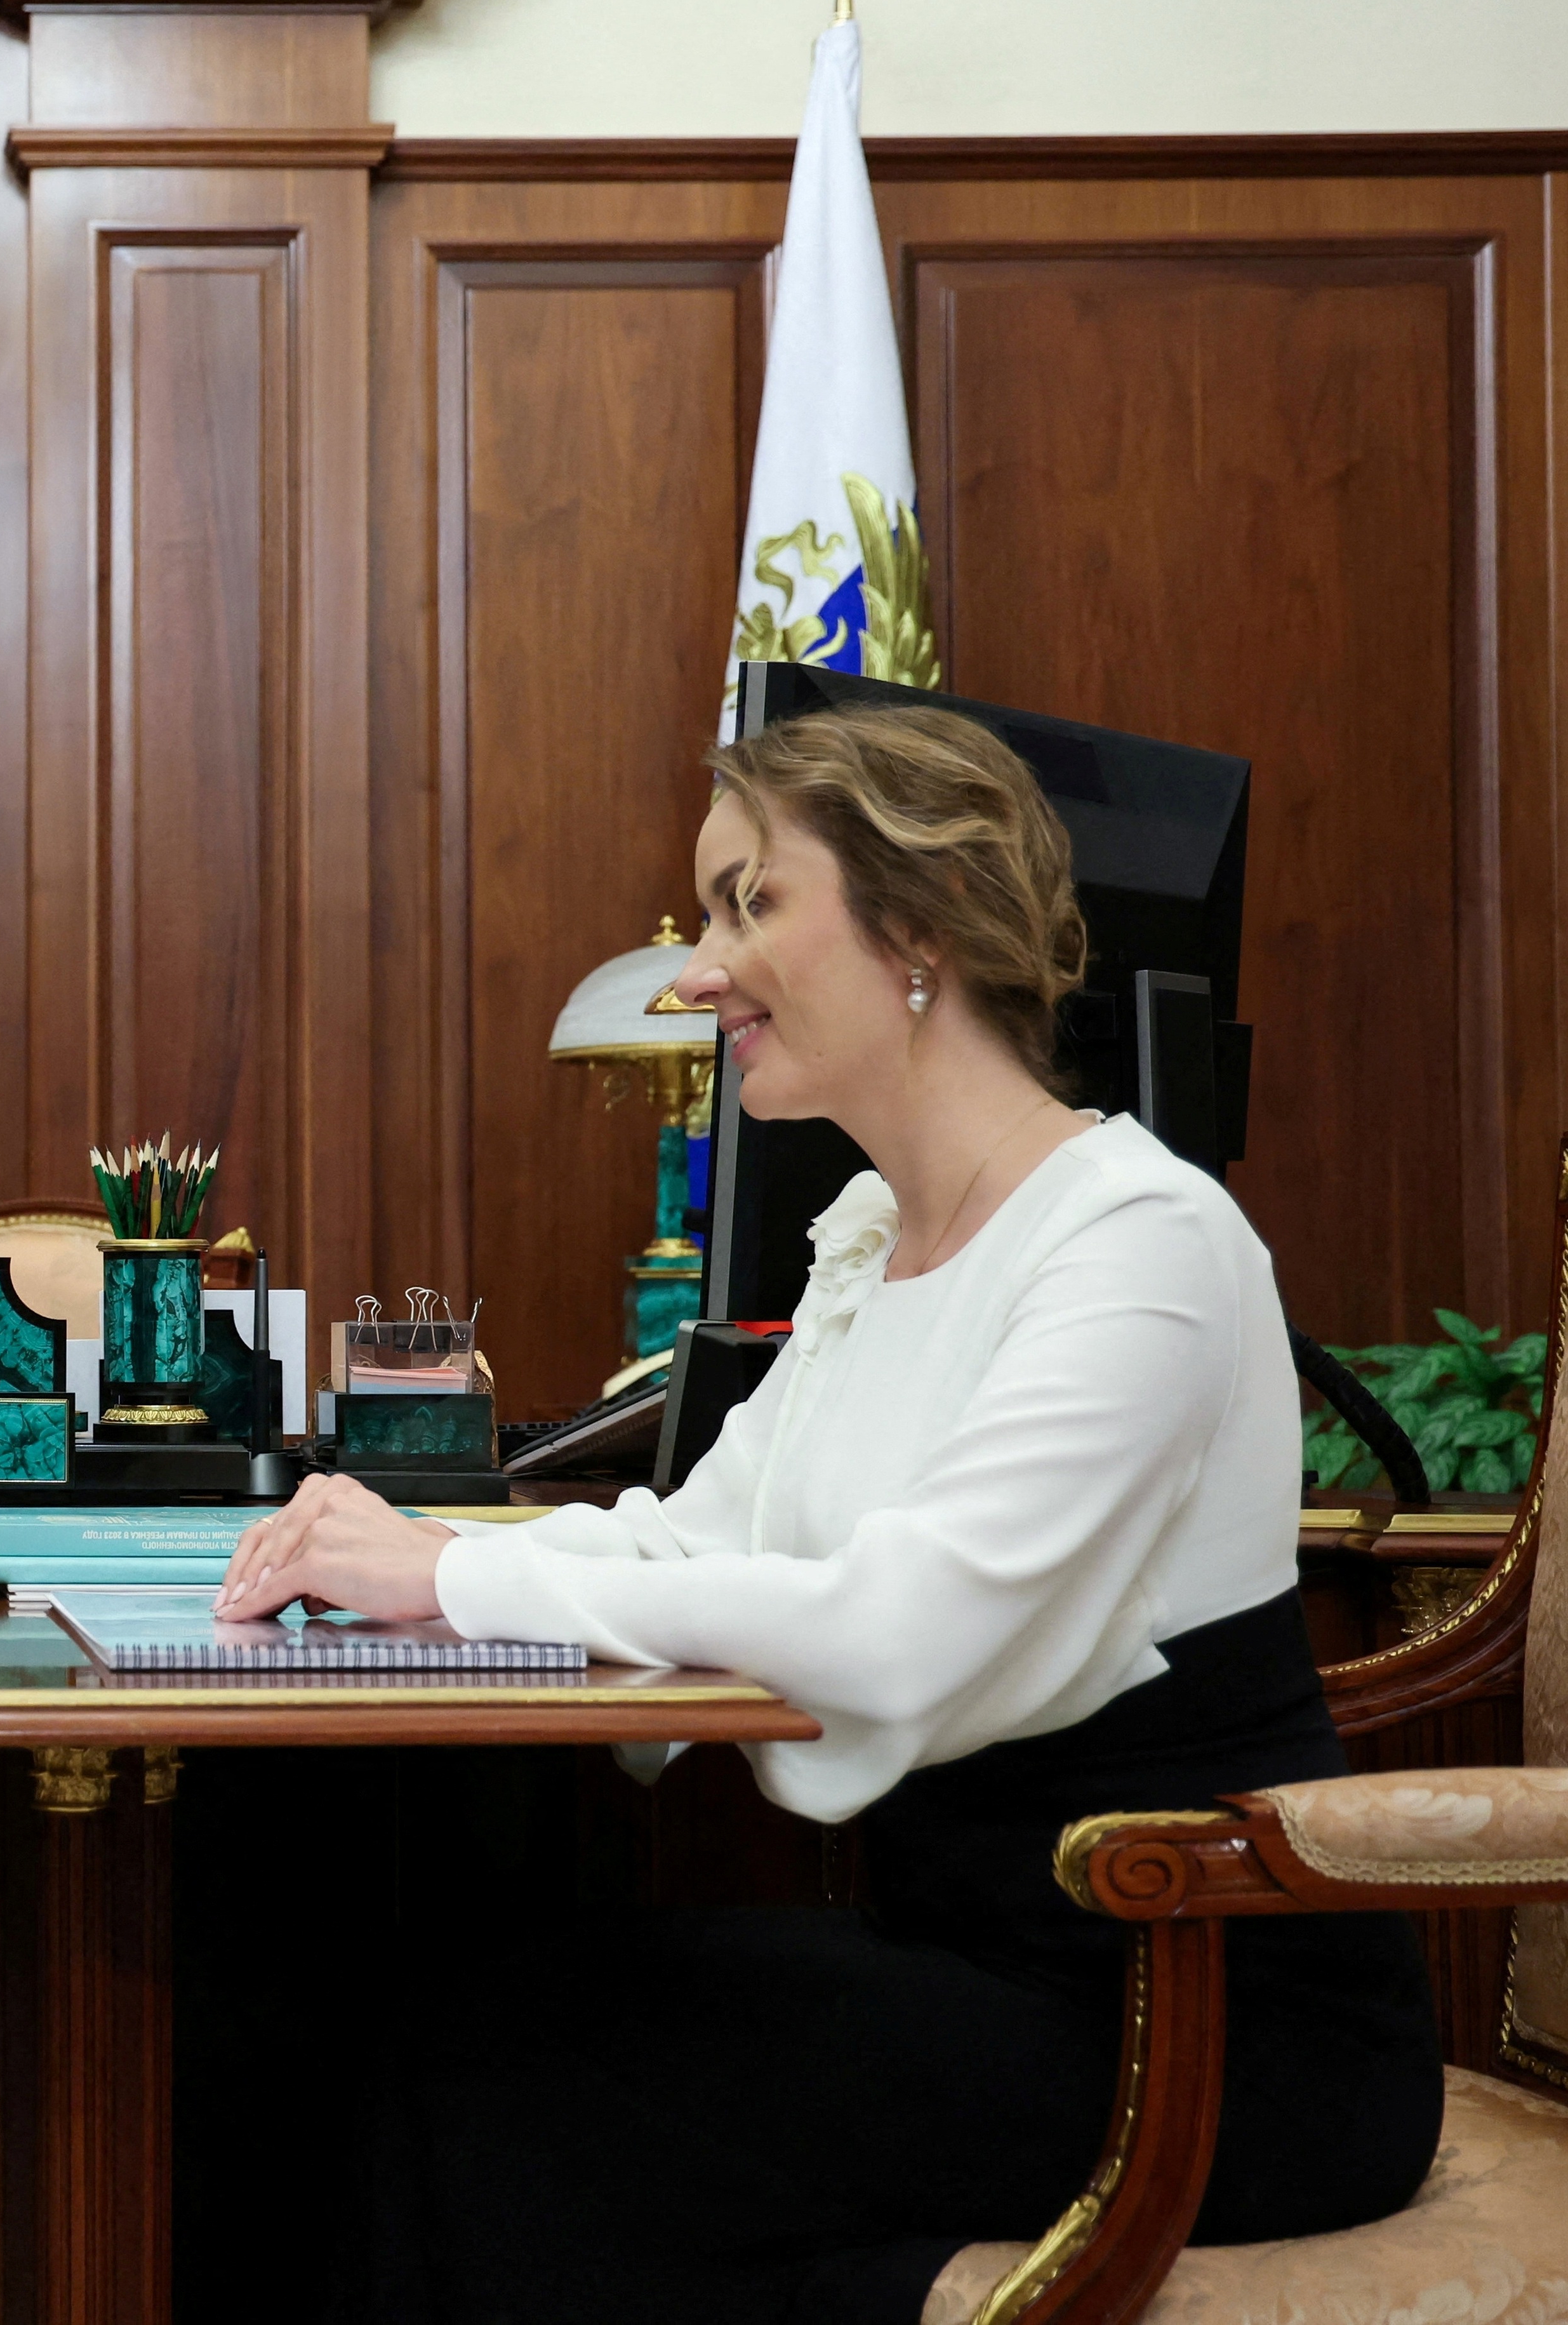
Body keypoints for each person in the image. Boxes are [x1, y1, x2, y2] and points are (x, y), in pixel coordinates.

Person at [215, 704, 1442, 2323]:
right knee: (397, 2023)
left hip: (1198, 2026)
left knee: (491, 2087)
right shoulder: (873, 1235)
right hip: (979, 1973)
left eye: (748, 904)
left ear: (918, 926)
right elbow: (693, 1536)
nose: (693, 971)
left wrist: (456, 1578)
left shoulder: (1142, 1237)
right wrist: (418, 1561)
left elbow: (899, 1630)